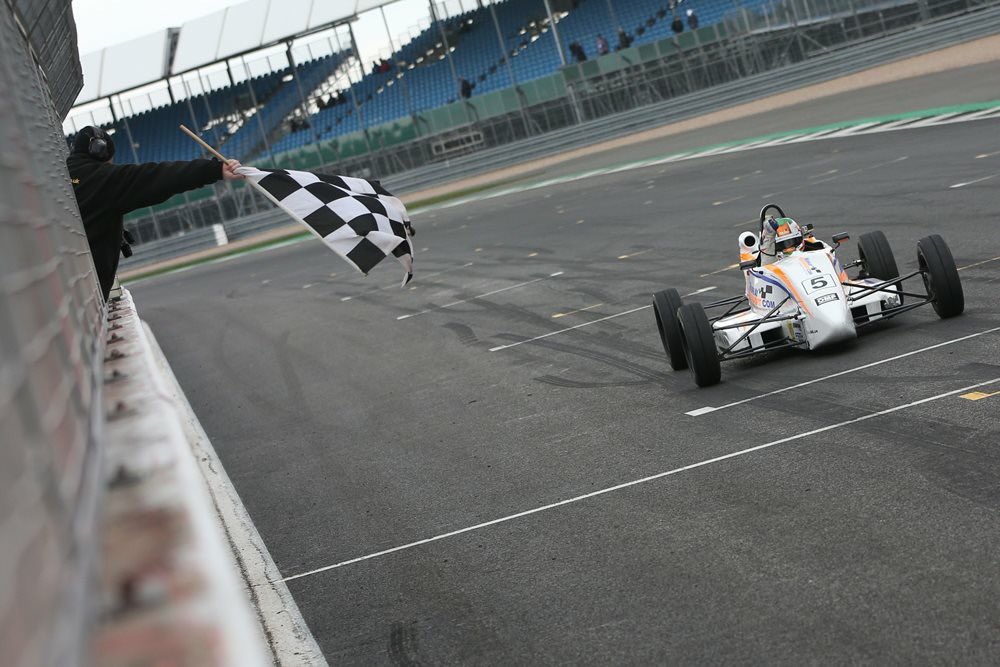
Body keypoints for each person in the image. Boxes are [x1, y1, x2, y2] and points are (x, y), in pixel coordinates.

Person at [67, 126, 244, 300]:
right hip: (86, 294)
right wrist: (215, 170)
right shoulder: (102, 179)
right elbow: (161, 176)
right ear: (100, 151)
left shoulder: (61, 176)